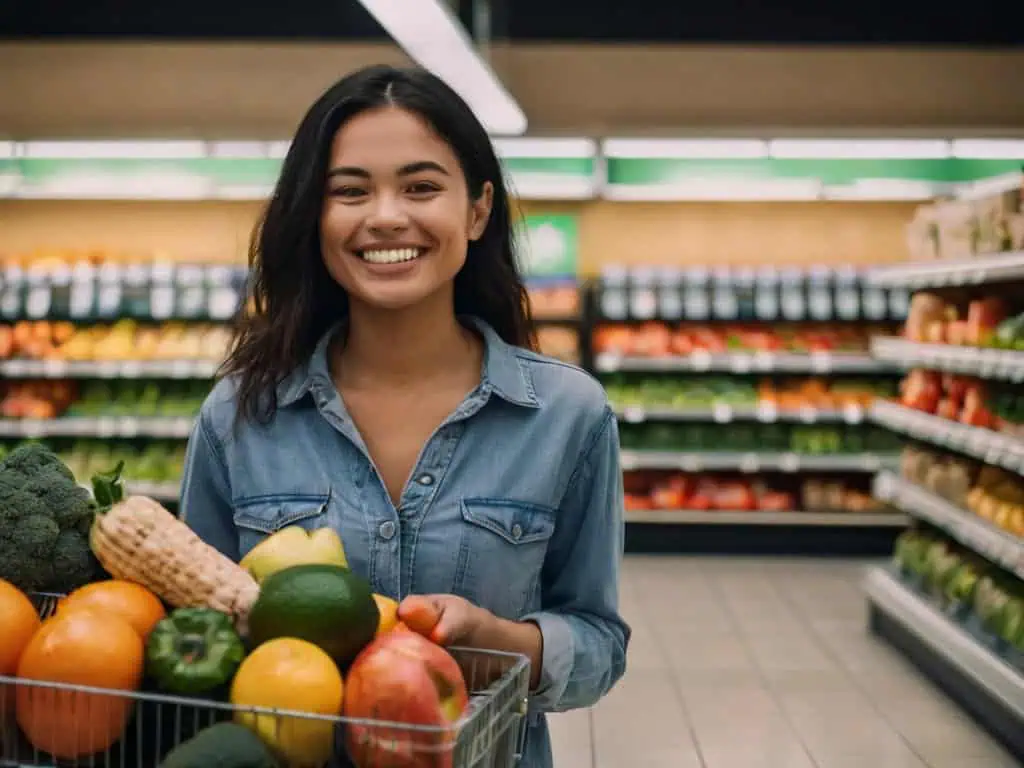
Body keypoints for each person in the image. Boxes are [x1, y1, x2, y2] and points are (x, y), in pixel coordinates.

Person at [179, 63, 630, 767]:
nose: (386, 216)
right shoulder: (239, 415)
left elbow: (599, 641)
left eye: (421, 187)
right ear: (314, 217)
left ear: (478, 210)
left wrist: (501, 644)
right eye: (350, 191)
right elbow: (186, 636)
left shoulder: (567, 415)